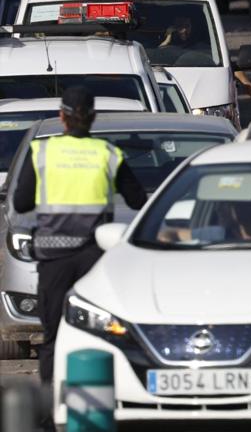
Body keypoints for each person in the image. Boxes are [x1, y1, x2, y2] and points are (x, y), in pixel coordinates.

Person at [9, 86, 147, 383]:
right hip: (94, 259)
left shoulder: (42, 152)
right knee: (101, 335)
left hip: (53, 257)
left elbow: (21, 203)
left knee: (52, 340)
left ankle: (49, 415)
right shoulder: (108, 154)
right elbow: (138, 201)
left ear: (62, 117)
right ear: (93, 118)